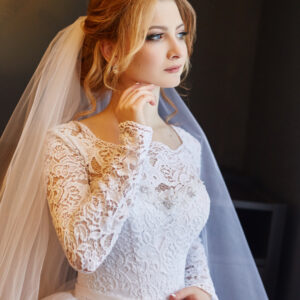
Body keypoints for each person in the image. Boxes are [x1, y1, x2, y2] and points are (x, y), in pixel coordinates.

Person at [0, 0, 269, 300]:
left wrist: (202, 289)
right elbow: (83, 253)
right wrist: (133, 143)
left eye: (180, 34)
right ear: (110, 50)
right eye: (155, 36)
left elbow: (188, 238)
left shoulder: (187, 145)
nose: (177, 50)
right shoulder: (69, 141)